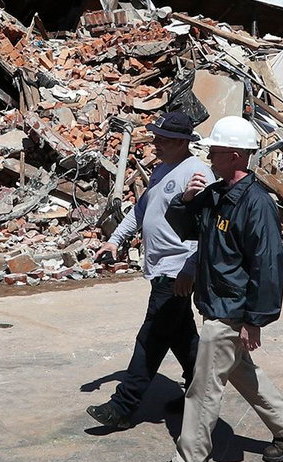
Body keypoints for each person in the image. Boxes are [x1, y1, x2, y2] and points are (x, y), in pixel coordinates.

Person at [144, 116, 283, 462]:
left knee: (203, 386)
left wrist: (255, 320)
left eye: (214, 152)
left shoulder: (256, 204)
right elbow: (186, 228)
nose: (208, 158)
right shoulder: (217, 195)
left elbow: (268, 266)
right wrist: (186, 200)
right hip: (216, 301)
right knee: (238, 370)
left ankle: (190, 460)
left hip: (232, 309)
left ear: (234, 156)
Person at [86, 111, 214, 431]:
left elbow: (207, 229)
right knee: (182, 337)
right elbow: (141, 210)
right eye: (155, 137)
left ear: (183, 143)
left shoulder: (198, 173)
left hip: (177, 269)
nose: (155, 144)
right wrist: (116, 240)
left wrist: (190, 267)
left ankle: (123, 406)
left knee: (152, 337)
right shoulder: (161, 170)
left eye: (163, 139)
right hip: (160, 268)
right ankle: (200, 394)